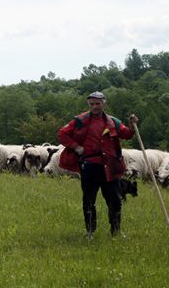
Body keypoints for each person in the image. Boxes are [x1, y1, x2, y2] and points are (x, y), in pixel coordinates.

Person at [57, 91, 139, 238]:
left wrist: (132, 125)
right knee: (89, 200)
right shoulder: (80, 120)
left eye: (98, 103)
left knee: (114, 200)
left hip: (110, 166)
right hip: (89, 166)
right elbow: (62, 133)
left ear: (104, 103)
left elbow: (126, 134)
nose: (95, 106)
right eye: (92, 103)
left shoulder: (113, 121)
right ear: (89, 104)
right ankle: (90, 231)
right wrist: (76, 147)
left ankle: (116, 231)